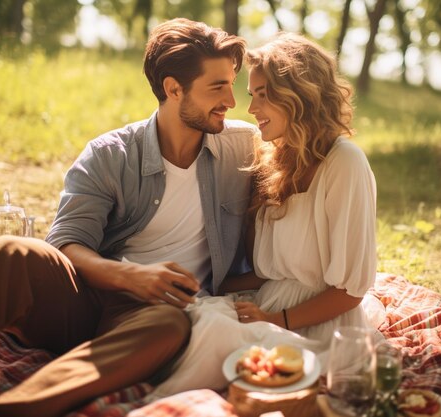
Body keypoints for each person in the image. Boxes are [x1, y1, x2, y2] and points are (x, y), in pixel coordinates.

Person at [0, 18, 256, 417]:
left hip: (149, 322)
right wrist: (132, 276)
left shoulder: (243, 149)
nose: (232, 101)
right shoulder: (111, 154)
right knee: (15, 253)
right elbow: (65, 245)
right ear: (173, 89)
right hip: (87, 300)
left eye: (232, 84)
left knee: (170, 324)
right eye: (217, 87)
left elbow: (307, 153)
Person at [152, 32, 381, 396]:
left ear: (300, 94)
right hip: (269, 302)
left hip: (319, 321)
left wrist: (277, 320)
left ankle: (152, 404)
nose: (251, 109)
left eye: (263, 94)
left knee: (218, 338)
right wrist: (214, 289)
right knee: (197, 318)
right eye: (251, 95)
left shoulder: (345, 164)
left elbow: (350, 292)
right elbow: (268, 272)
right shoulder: (272, 158)